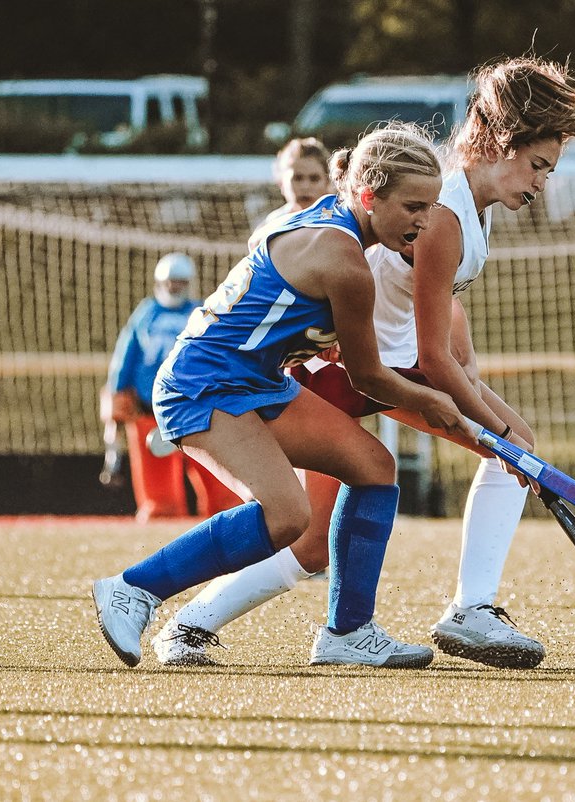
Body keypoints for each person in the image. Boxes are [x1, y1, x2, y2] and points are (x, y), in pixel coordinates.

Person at [151, 56, 575, 670]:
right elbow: (433, 358)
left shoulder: (468, 204)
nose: (542, 182)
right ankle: (471, 610)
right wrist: (497, 423)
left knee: (311, 542)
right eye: (539, 164)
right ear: (501, 140)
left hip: (378, 365)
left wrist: (477, 387)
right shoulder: (445, 215)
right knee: (512, 451)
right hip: (363, 370)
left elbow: (436, 316)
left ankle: (190, 623)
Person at [91, 122, 472, 669]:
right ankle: (134, 589)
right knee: (287, 515)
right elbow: (368, 377)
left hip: (258, 380)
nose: (424, 220)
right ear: (368, 196)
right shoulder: (346, 263)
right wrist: (435, 400)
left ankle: (348, 632)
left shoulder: (328, 222)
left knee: (372, 464)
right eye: (413, 205)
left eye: (431, 207)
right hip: (204, 382)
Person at [101, 252, 240, 522]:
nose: (175, 288)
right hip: (149, 411)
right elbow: (125, 355)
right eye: (171, 283)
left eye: (179, 282)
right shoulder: (146, 313)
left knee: (214, 470)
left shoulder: (201, 311)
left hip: (197, 408)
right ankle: (161, 516)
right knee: (156, 478)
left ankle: (227, 517)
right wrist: (117, 389)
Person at [249, 137, 335, 248]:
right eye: (298, 178)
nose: (305, 186)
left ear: (327, 182)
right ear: (281, 182)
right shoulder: (272, 223)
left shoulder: (337, 222)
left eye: (314, 179)